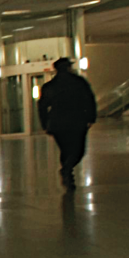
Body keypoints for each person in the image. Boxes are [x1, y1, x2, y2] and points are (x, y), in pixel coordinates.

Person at [37, 56, 97, 188]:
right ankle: (67, 170)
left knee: (65, 149)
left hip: (57, 123)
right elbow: (89, 100)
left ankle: (67, 172)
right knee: (78, 150)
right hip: (77, 121)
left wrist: (45, 124)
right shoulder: (79, 82)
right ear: (69, 68)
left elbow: (42, 106)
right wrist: (91, 118)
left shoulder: (49, 86)